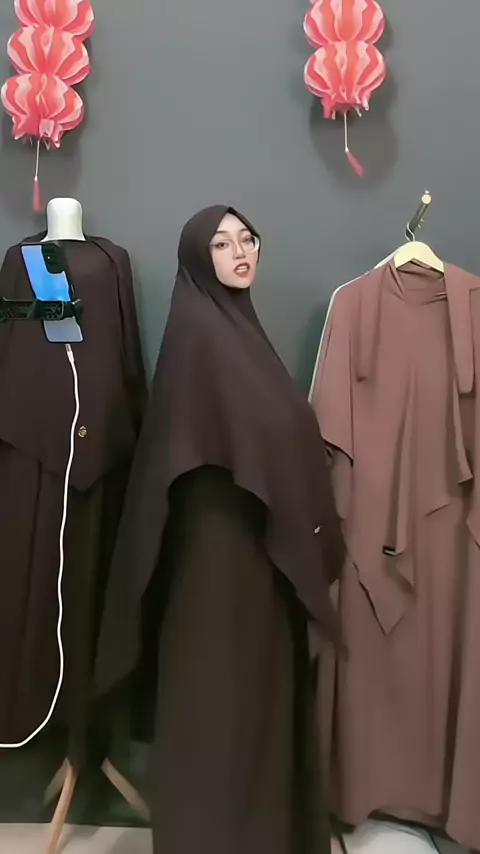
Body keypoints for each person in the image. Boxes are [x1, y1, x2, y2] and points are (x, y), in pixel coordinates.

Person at [94, 205, 344, 854]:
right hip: (219, 562)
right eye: (221, 243)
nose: (240, 251)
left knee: (250, 699)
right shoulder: (203, 340)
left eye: (247, 239)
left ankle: (263, 832)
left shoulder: (239, 335)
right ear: (196, 258)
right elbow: (234, 443)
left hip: (255, 557)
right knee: (219, 700)